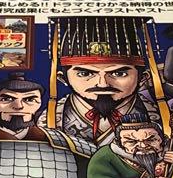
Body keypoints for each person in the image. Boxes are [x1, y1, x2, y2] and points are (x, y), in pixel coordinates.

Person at [51, 16, 163, 145]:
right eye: (85, 73)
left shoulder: (163, 119)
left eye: (119, 73)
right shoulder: (48, 119)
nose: (102, 84)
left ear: (143, 78)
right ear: (62, 78)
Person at [86, 116, 173, 178]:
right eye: (132, 142)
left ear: (161, 139)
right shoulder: (105, 156)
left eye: (150, 140)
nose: (142, 146)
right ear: (119, 143)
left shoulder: (172, 149)